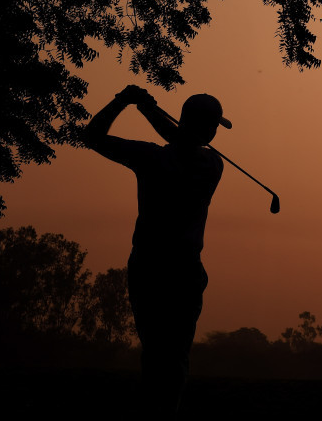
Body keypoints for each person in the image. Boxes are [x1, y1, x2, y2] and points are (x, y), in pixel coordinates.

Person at [84, 85, 229, 417]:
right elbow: (180, 138)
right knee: (175, 353)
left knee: (155, 351)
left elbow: (92, 136)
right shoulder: (213, 164)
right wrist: (147, 109)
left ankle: (155, 416)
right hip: (186, 271)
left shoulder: (150, 157)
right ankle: (165, 415)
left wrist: (126, 101)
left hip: (149, 267)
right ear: (210, 130)